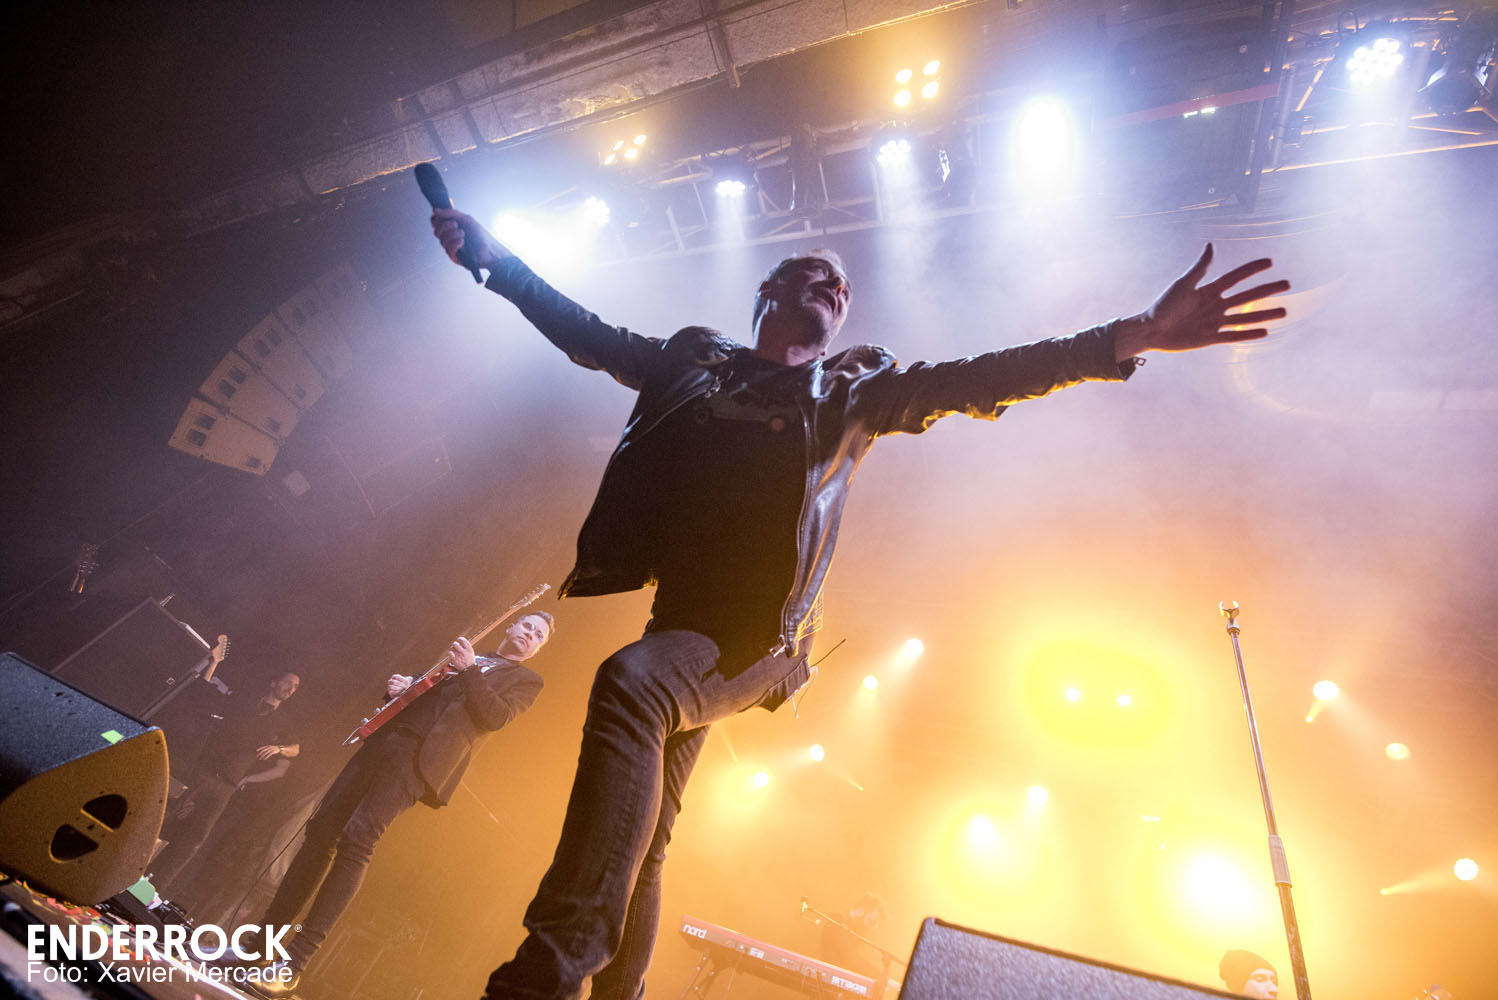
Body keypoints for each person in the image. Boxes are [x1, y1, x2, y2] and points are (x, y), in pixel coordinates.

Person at [430, 206, 1289, 1000]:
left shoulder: (852, 391)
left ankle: (546, 976)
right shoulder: (692, 364)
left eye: (844, 286)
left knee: (631, 685)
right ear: (768, 290)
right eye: (817, 274)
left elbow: (983, 376)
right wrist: (491, 261)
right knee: (645, 836)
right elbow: (584, 331)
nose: (837, 287)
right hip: (682, 625)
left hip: (756, 640)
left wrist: (1131, 335)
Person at [250, 614, 554, 996]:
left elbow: (495, 717)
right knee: (320, 832)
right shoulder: (473, 652)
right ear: (511, 627)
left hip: (418, 761)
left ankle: (294, 963)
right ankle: (256, 948)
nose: (529, 634)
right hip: (386, 739)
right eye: (526, 626)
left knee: (357, 841)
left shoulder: (524, 680)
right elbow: (428, 694)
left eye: (538, 635)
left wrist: (469, 671)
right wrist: (402, 689)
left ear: (538, 649)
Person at [150, 671, 301, 893]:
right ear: (274, 682)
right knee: (171, 819)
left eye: (295, 686)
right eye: (288, 682)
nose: (290, 688)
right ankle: (137, 867)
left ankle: (156, 888)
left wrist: (279, 748)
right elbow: (209, 700)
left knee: (196, 838)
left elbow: (295, 749)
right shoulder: (244, 702)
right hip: (204, 772)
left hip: (227, 786)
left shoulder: (283, 722)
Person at [818, 893, 889, 981]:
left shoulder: (858, 932)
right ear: (861, 911)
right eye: (872, 921)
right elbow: (848, 956)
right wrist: (877, 975)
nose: (872, 928)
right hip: (827, 981)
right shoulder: (837, 919)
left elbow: (861, 959)